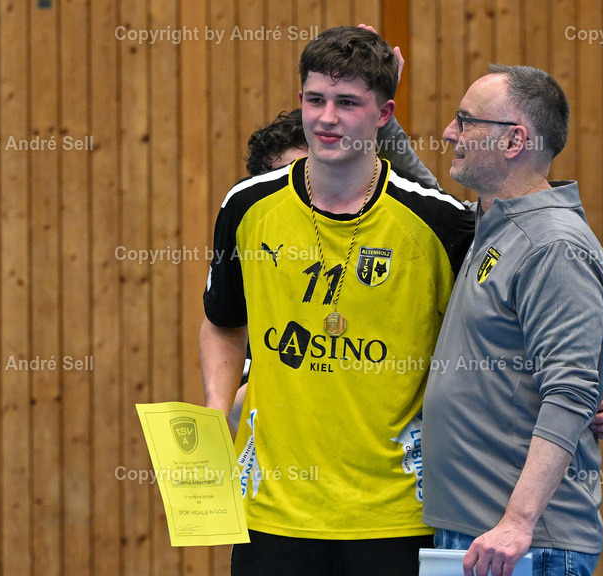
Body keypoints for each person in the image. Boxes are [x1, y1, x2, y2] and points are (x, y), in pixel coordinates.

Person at [201, 26, 475, 576]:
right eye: (315, 99)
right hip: (272, 512)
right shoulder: (246, 206)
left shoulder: (438, 222)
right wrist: (214, 412)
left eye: (347, 103)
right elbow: (223, 323)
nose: (326, 118)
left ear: (383, 113)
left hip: (396, 515)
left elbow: (501, 328)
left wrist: (578, 381)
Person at [421, 64, 603, 576]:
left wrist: (518, 521)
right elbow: (423, 191)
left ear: (513, 141)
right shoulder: (497, 222)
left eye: (465, 121)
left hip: (525, 546)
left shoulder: (553, 246)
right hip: (484, 534)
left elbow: (571, 391)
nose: (449, 133)